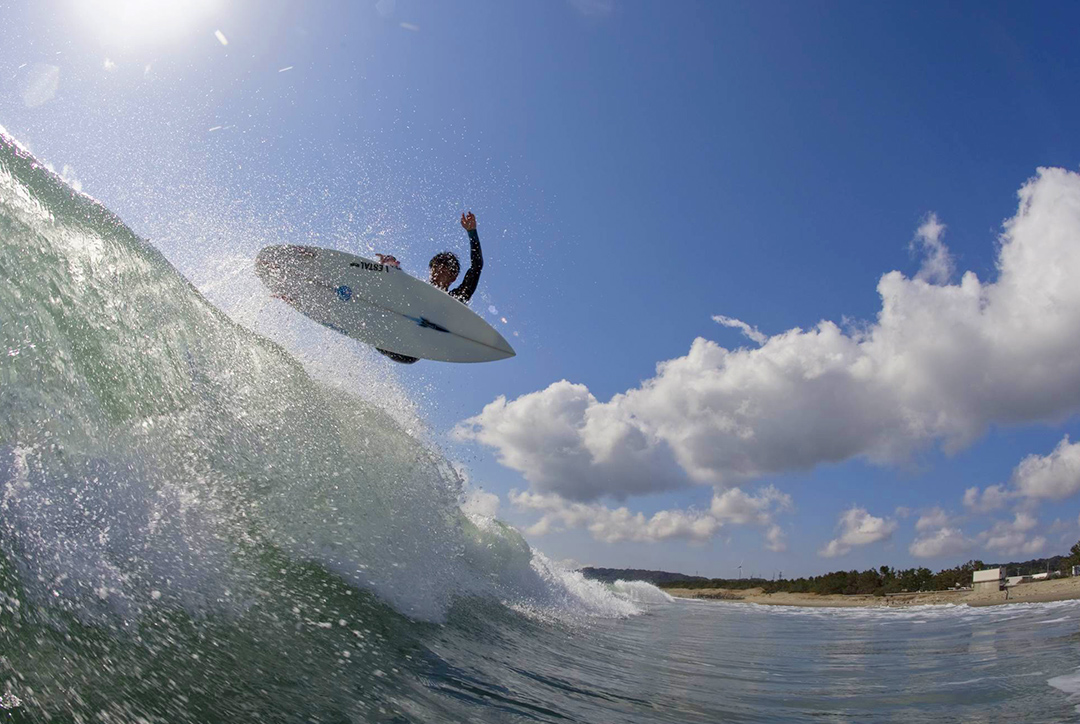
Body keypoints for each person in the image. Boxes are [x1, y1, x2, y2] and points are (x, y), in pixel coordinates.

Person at [375, 211, 483, 364]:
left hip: (411, 351)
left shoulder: (457, 298)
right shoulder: (415, 289)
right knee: (395, 278)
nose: (439, 269)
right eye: (436, 266)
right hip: (390, 337)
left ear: (454, 277)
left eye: (445, 267)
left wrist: (472, 233)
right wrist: (385, 270)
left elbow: (476, 267)